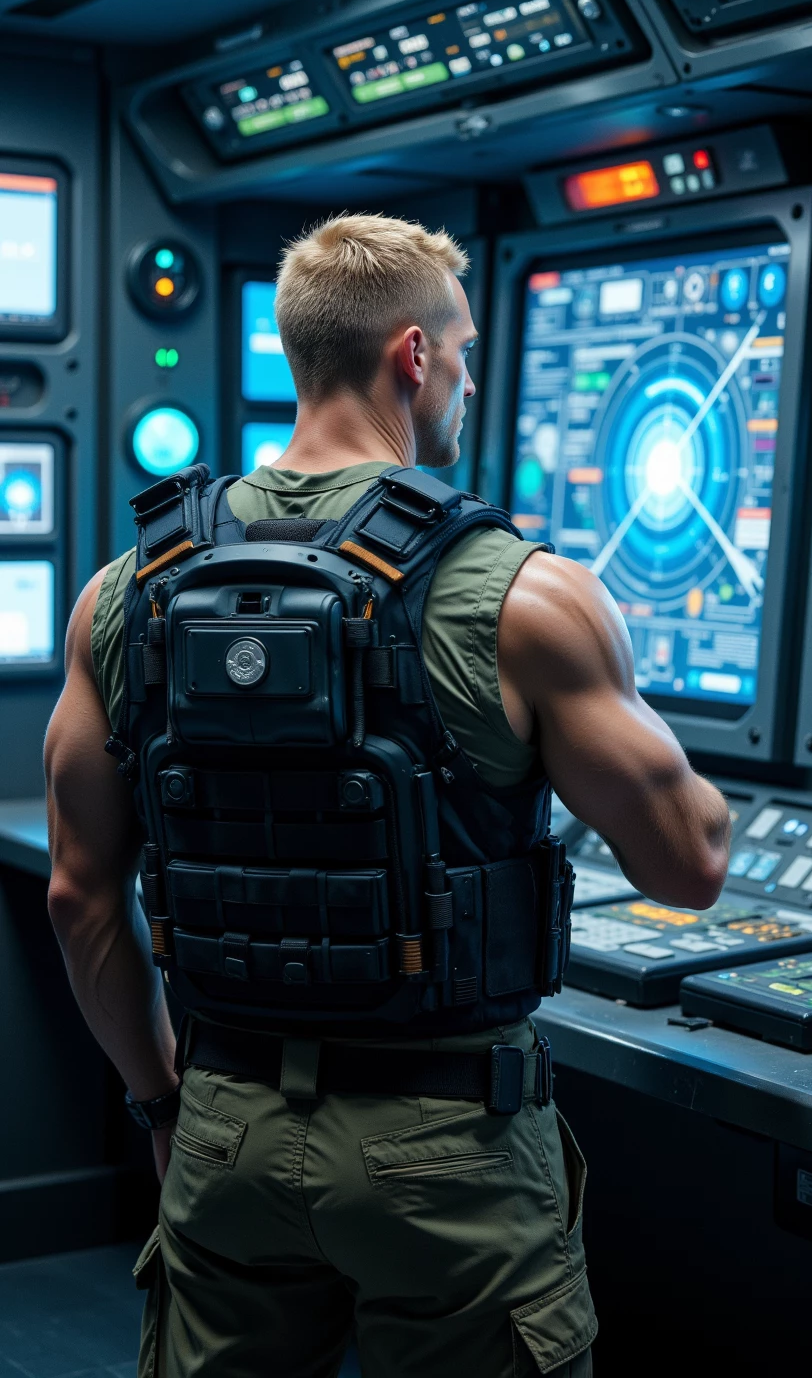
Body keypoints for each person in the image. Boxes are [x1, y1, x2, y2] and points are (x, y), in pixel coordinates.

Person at [44, 213, 731, 1378]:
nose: (462, 381)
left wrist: (162, 1106)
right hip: (451, 1149)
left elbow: (79, 898)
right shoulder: (528, 595)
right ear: (414, 356)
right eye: (460, 354)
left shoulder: (122, 593)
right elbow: (687, 866)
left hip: (222, 1127)